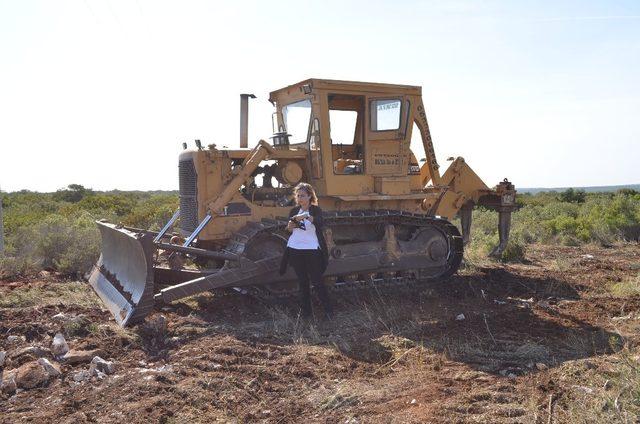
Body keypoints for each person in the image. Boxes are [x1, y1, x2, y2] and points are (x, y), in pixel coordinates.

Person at [279, 182, 332, 320]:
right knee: (302, 282)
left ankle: (328, 311)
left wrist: (306, 216)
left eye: (303, 195)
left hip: (311, 249)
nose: (300, 198)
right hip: (296, 249)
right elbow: (288, 231)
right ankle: (307, 313)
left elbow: (320, 222)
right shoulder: (294, 211)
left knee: (317, 280)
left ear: (309, 196)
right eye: (298, 195)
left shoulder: (315, 210)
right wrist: (290, 226)